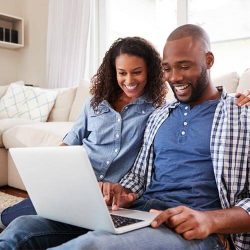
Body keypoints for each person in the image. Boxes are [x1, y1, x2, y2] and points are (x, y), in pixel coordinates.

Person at [0, 25, 250, 250]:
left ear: (208, 60)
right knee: (23, 228)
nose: (174, 77)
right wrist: (122, 191)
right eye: (167, 69)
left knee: (94, 245)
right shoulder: (160, 116)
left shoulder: (241, 114)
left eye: (184, 66)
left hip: (191, 226)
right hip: (140, 212)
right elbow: (138, 176)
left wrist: (210, 220)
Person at [0, 36, 166, 229]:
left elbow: (146, 163)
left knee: (38, 226)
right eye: (122, 73)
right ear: (113, 73)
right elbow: (69, 143)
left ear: (150, 72)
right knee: (10, 219)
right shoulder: (95, 103)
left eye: (137, 72)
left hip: (110, 197)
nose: (129, 80)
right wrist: (50, 172)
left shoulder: (156, 111)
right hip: (76, 186)